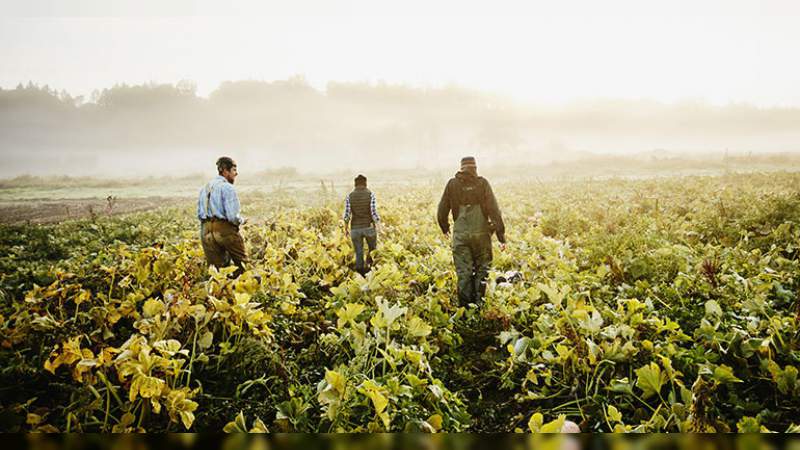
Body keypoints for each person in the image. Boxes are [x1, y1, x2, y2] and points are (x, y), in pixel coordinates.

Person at [437, 156, 506, 306]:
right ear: (475, 168)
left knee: (464, 272)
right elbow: (494, 210)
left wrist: (445, 228)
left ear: (461, 168)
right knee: (482, 270)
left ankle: (465, 310)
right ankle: (478, 305)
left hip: (461, 235)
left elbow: (442, 209)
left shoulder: (452, 184)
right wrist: (501, 236)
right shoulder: (482, 184)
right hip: (481, 235)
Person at [197, 156, 248, 276]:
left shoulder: (205, 188)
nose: (236, 174)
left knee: (217, 272)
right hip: (223, 229)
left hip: (206, 231)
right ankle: (241, 291)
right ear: (225, 171)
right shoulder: (228, 188)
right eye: (234, 170)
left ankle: (219, 293)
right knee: (243, 266)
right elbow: (232, 217)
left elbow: (199, 213)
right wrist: (241, 220)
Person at [343, 174, 381, 275]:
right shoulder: (370, 194)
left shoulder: (349, 196)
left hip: (355, 229)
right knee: (373, 250)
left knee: (358, 252)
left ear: (355, 184)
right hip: (369, 227)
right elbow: (373, 212)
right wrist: (378, 225)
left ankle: (360, 274)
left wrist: (346, 228)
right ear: (365, 183)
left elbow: (347, 215)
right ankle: (372, 270)